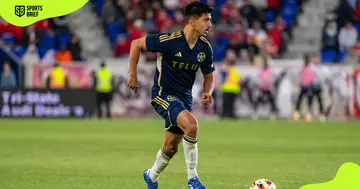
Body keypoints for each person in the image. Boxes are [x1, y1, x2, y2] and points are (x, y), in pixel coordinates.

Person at [127, 2, 214, 189]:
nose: (210, 24)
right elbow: (136, 44)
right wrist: (133, 74)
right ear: (192, 21)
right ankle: (193, 179)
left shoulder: (204, 48)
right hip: (163, 94)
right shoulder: (169, 41)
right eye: (206, 20)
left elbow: (209, 76)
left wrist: (208, 91)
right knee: (192, 125)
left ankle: (151, 175)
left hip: (184, 99)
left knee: (170, 147)